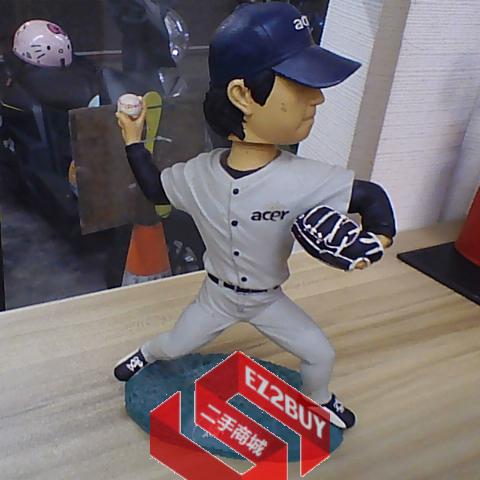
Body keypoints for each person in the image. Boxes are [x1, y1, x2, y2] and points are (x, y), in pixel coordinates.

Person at [113, 2, 396, 430]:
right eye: (300, 84)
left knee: (320, 354)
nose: (317, 97)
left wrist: (377, 241)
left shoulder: (308, 179)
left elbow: (371, 199)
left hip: (268, 300)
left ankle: (319, 400)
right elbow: (155, 189)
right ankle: (144, 355)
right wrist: (133, 139)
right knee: (173, 346)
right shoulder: (199, 174)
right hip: (215, 298)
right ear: (243, 95)